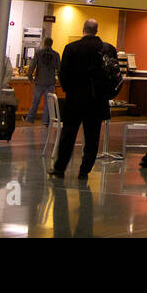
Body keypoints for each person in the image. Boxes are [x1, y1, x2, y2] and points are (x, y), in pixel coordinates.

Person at [51, 19, 117, 180]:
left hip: (75, 99)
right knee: (92, 137)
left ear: (83, 29)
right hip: (97, 101)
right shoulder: (107, 49)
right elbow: (114, 74)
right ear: (97, 30)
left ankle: (60, 169)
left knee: (68, 134)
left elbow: (63, 74)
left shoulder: (72, 48)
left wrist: (70, 90)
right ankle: (84, 170)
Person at [26, 37, 59, 125]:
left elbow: (32, 66)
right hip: (50, 82)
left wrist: (30, 77)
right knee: (48, 103)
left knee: (35, 101)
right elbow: (59, 69)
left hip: (39, 81)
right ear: (52, 44)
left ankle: (30, 119)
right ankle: (45, 121)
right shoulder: (56, 54)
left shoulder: (38, 53)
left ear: (44, 43)